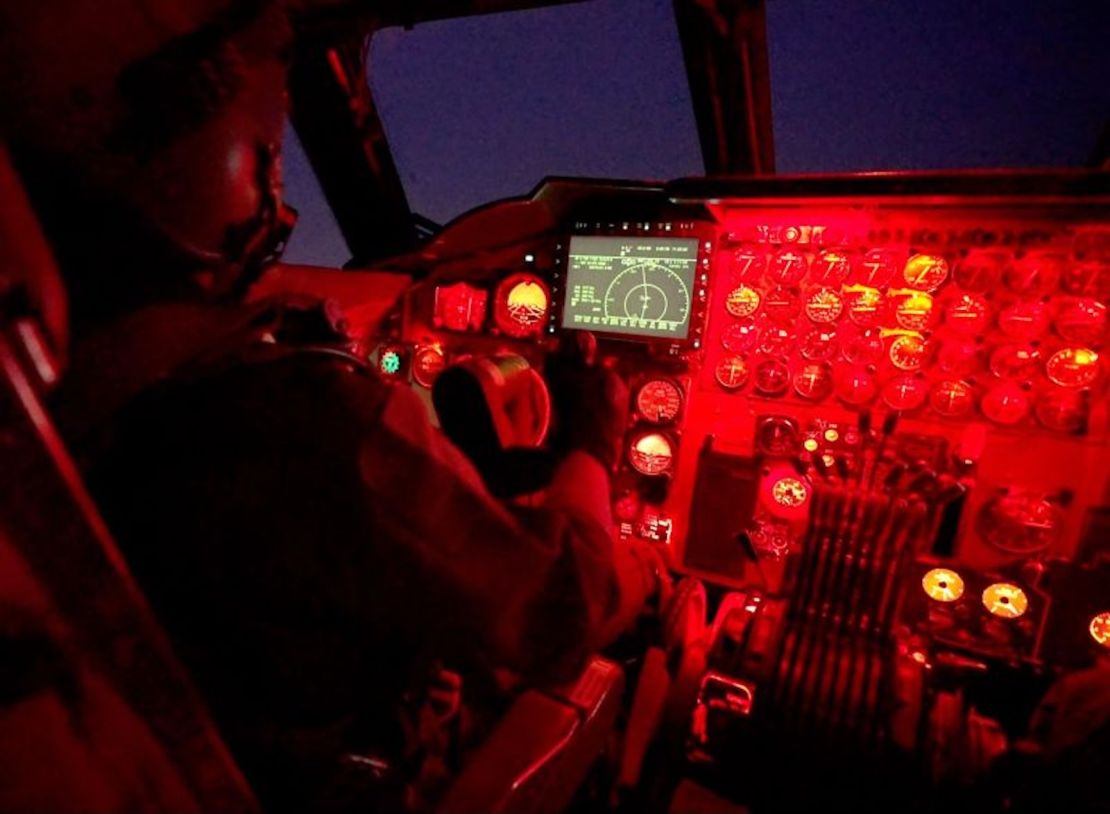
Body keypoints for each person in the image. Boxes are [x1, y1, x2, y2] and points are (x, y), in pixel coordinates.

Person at [0, 1, 663, 807]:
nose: (280, 177)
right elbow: (564, 605)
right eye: (269, 145)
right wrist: (593, 438)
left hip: (248, 735)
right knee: (652, 649)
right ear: (198, 152)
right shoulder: (310, 425)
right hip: (341, 778)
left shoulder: (58, 390)